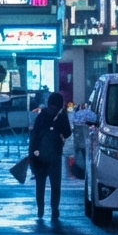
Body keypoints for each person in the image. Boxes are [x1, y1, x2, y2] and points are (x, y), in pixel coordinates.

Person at [26, 91, 74, 224]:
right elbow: (68, 133)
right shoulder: (61, 116)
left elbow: (34, 135)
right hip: (55, 154)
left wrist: (32, 153)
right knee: (55, 184)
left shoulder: (41, 115)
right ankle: (54, 209)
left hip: (40, 155)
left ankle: (40, 209)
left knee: (40, 184)